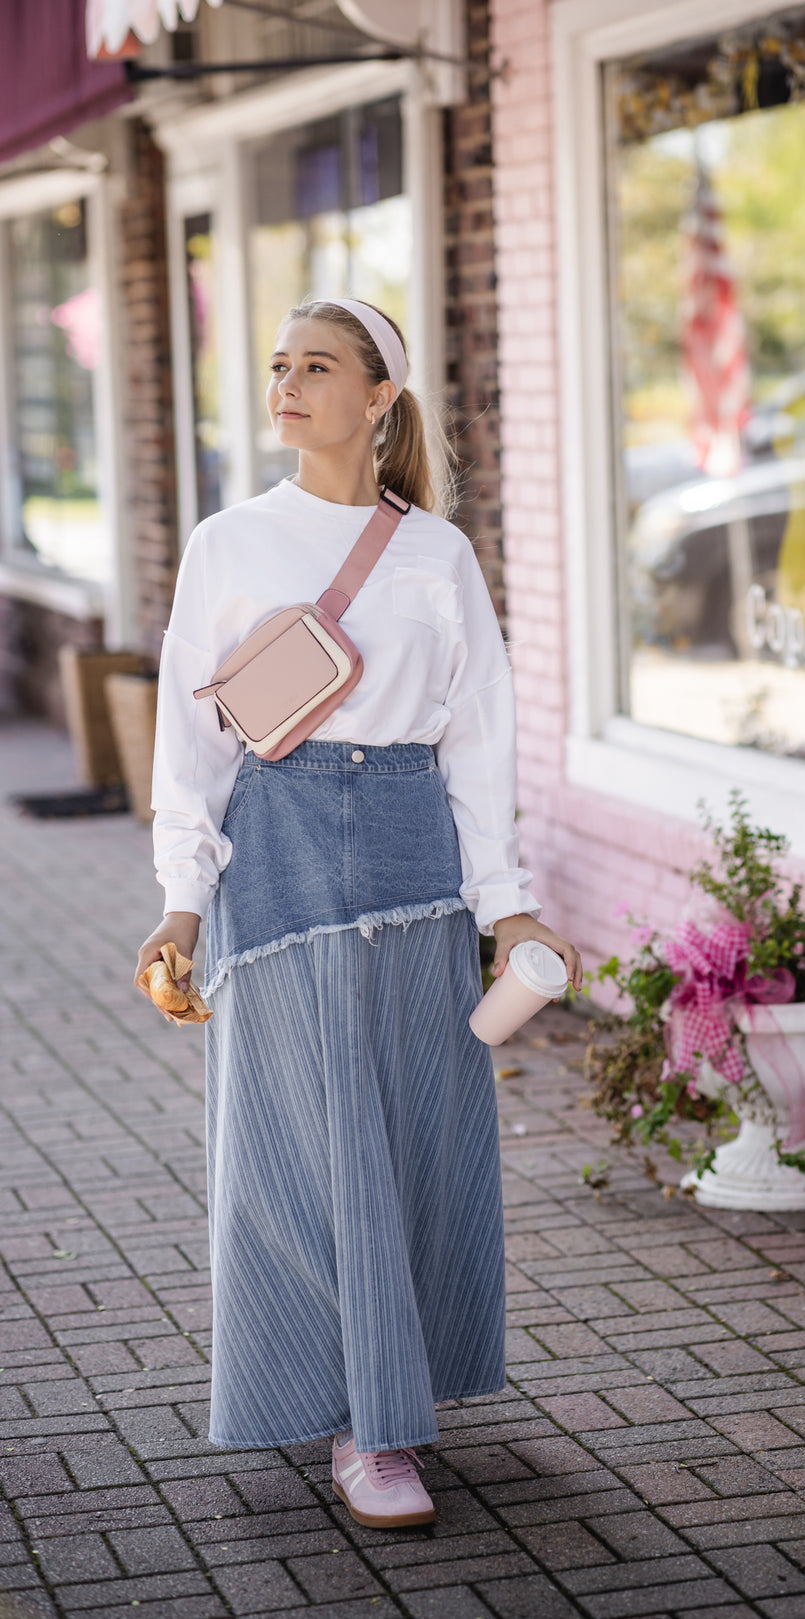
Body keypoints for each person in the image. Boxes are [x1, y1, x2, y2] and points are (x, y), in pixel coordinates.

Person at [134, 297, 582, 1529]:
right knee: (293, 1144)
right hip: (270, 847)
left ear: (378, 398)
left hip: (406, 845)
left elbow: (477, 737)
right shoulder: (229, 541)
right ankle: (357, 1424)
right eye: (281, 364)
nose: (288, 383)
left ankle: (384, 1402)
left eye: (317, 366)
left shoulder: (436, 553)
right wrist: (181, 907)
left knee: (415, 1132)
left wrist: (511, 905)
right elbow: (191, 736)